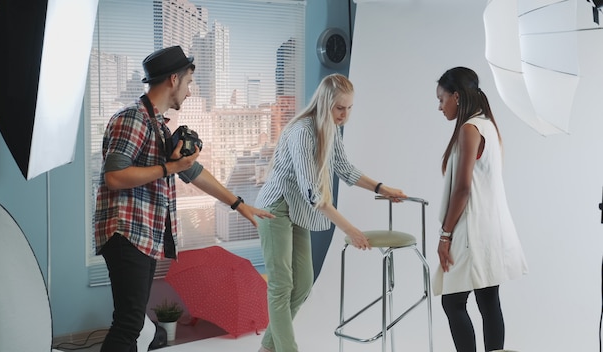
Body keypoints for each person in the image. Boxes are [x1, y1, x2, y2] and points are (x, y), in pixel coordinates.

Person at [94, 45, 274, 352]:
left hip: (144, 235)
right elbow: (115, 176)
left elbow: (193, 172)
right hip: (126, 232)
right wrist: (170, 167)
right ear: (174, 80)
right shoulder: (133, 119)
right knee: (128, 323)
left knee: (134, 323)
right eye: (189, 83)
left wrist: (239, 205)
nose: (190, 92)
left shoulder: (159, 125)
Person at [255, 73, 407, 352]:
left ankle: (267, 348)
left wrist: (381, 188)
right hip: (275, 207)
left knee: (302, 285)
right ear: (325, 103)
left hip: (297, 209)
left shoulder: (330, 128)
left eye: (349, 108)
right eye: (340, 108)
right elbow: (315, 194)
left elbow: (344, 169)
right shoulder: (303, 131)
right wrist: (351, 230)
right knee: (281, 285)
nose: (345, 115)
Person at [432, 67, 528, 352]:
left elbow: (462, 188)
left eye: (442, 99)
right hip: (492, 227)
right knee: (488, 301)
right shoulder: (488, 125)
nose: (440, 106)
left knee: (452, 301)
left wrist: (445, 234)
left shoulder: (469, 129)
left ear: (457, 97)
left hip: (473, 231)